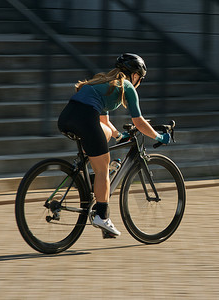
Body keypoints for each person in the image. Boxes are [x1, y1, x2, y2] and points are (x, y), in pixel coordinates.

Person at [57, 53, 171, 237]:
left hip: (66, 117)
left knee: (106, 134)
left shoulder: (103, 82)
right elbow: (139, 122)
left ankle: (93, 180)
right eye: (140, 79)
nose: (139, 82)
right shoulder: (126, 86)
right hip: (85, 119)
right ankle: (102, 216)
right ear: (134, 75)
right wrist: (159, 137)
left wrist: (119, 135)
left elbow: (104, 122)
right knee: (104, 167)